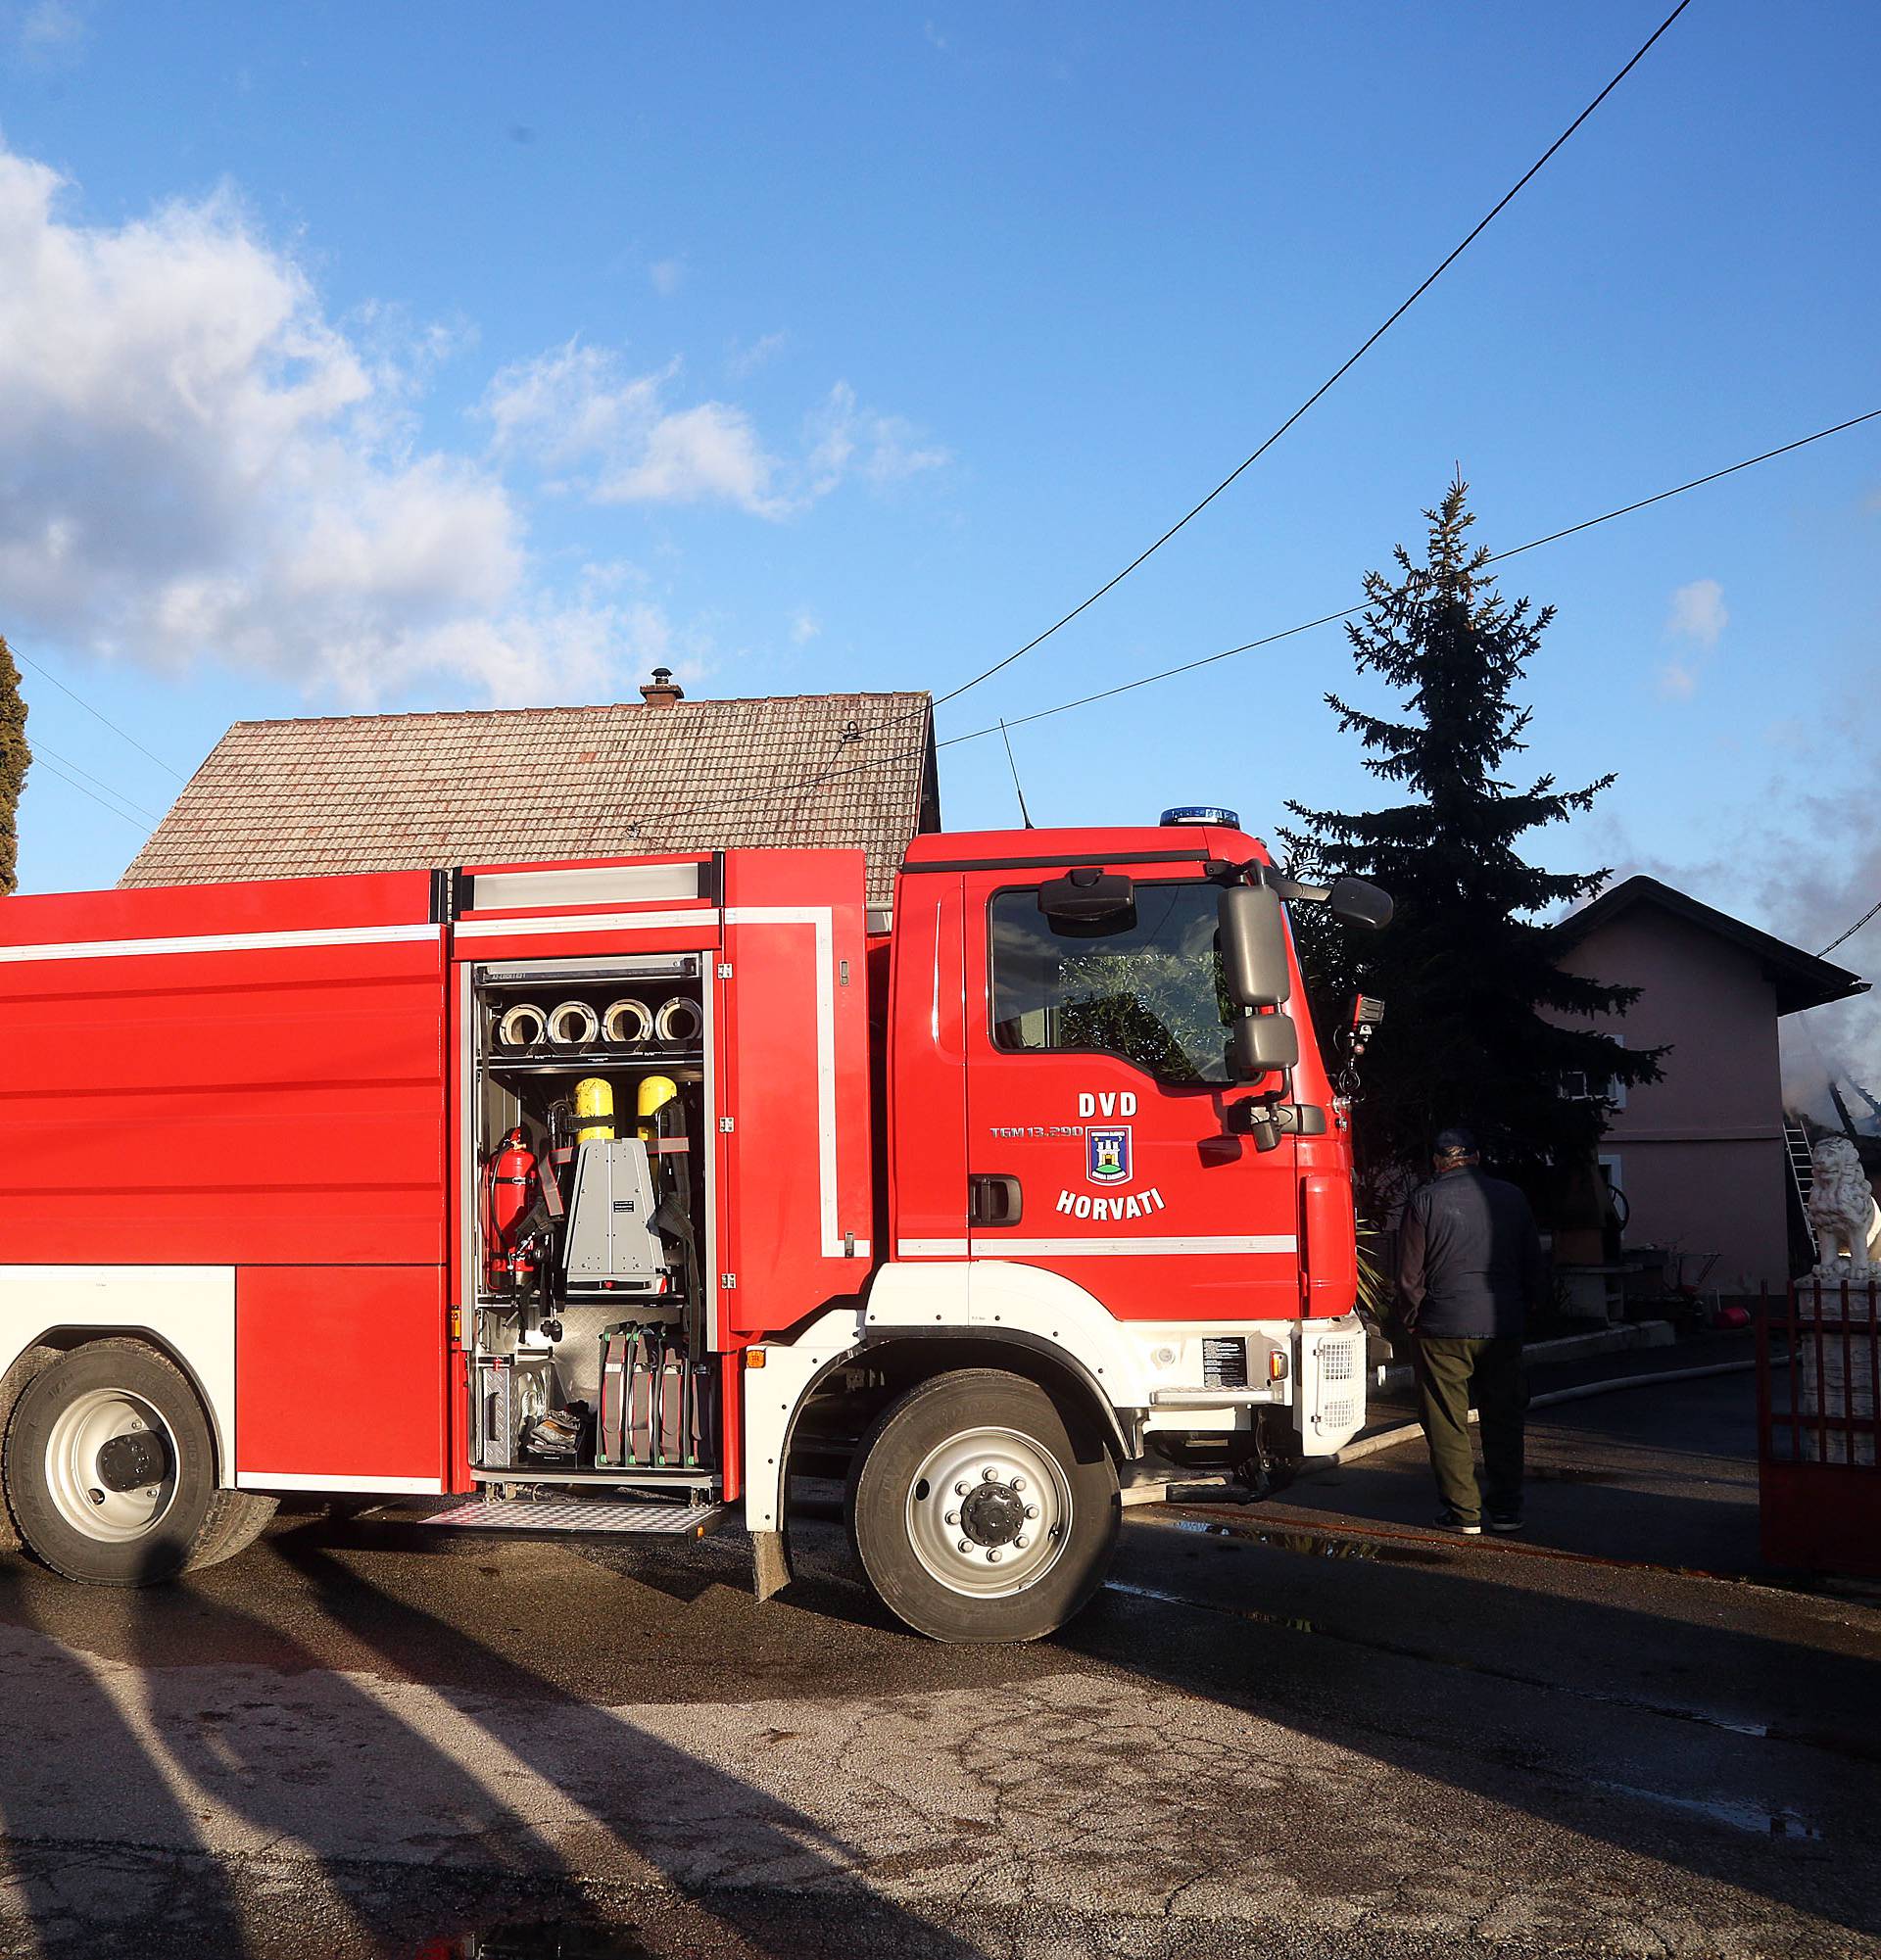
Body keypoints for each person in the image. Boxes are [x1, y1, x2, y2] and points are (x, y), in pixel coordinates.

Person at [1395, 1126, 1545, 1535]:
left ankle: (1463, 1513)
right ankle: (1508, 1510)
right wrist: (1526, 1310)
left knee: (1447, 1421)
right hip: (1502, 1323)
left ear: (1438, 1162)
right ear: (1477, 1158)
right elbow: (1533, 1262)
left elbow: (1410, 1275)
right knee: (1505, 1417)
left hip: (1443, 1325)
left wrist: (1411, 1318)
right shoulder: (1512, 1197)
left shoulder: (1424, 1200)